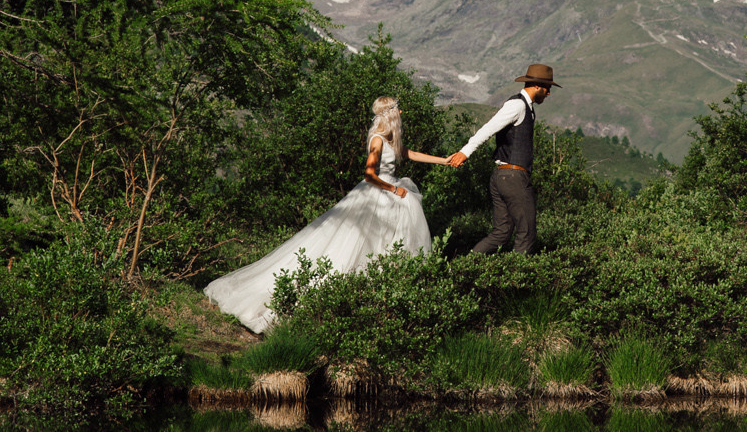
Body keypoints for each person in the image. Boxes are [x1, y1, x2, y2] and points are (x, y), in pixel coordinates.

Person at [204, 96, 450, 333]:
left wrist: (443, 160)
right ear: (390, 114)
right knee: (358, 246)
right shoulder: (377, 141)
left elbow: (408, 153)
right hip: (379, 193)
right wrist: (394, 189)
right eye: (398, 109)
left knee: (381, 246)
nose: (401, 113)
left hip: (390, 194)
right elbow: (369, 175)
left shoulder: (389, 139)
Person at [447, 64, 560, 256]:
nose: (549, 93)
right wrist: (465, 152)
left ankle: (463, 268)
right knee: (527, 232)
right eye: (547, 88)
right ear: (538, 86)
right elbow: (488, 128)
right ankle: (516, 280)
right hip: (513, 177)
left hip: (501, 177)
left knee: (501, 233)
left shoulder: (527, 107)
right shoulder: (517, 105)